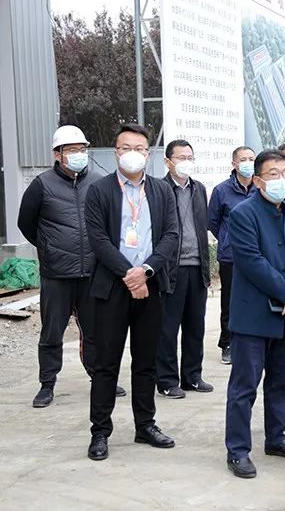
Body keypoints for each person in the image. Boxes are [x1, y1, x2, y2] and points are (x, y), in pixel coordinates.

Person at [84, 123, 179, 461]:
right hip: (112, 288)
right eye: (125, 148)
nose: (132, 154)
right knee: (106, 363)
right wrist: (130, 274)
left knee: (146, 361)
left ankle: (145, 425)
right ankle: (100, 432)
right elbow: (98, 240)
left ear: (148, 154)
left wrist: (146, 271)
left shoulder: (161, 191)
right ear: (116, 152)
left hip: (150, 286)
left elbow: (171, 235)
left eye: (139, 148)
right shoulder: (99, 190)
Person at [17, 125, 126, 407]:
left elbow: (109, 223)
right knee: (52, 333)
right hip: (57, 274)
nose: (79, 154)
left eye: (82, 149)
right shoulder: (42, 185)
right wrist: (49, 247)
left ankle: (100, 378)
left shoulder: (99, 182)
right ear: (58, 154)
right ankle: (47, 384)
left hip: (92, 272)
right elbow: (26, 223)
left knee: (95, 332)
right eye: (72, 150)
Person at [224, 150, 285, 479]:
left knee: (281, 383)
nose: (282, 180)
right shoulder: (243, 214)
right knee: (244, 387)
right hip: (254, 317)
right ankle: (237, 450)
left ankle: (276, 437)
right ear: (259, 180)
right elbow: (251, 262)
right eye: (274, 174)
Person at [156, 140, 213, 398]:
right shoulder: (159, 189)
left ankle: (192, 376)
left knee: (195, 326)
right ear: (168, 161)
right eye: (181, 157)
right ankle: (167, 380)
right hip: (171, 269)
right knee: (167, 329)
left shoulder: (198, 188)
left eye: (190, 157)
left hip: (197, 266)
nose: (186, 162)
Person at [208, 146, 257, 364]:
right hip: (231, 256)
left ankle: (252, 341)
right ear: (234, 164)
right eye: (243, 159)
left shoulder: (260, 187)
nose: (248, 163)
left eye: (251, 158)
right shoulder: (222, 190)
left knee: (255, 299)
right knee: (229, 301)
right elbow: (213, 222)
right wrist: (228, 239)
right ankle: (227, 343)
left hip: (257, 256)